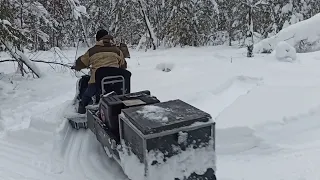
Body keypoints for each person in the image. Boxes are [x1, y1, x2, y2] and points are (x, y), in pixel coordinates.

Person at [72, 29, 127, 114]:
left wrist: (76, 66)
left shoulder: (92, 51)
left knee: (86, 95)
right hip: (116, 81)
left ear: (97, 39)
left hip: (97, 82)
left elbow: (82, 62)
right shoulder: (117, 50)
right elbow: (123, 66)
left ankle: (81, 111)